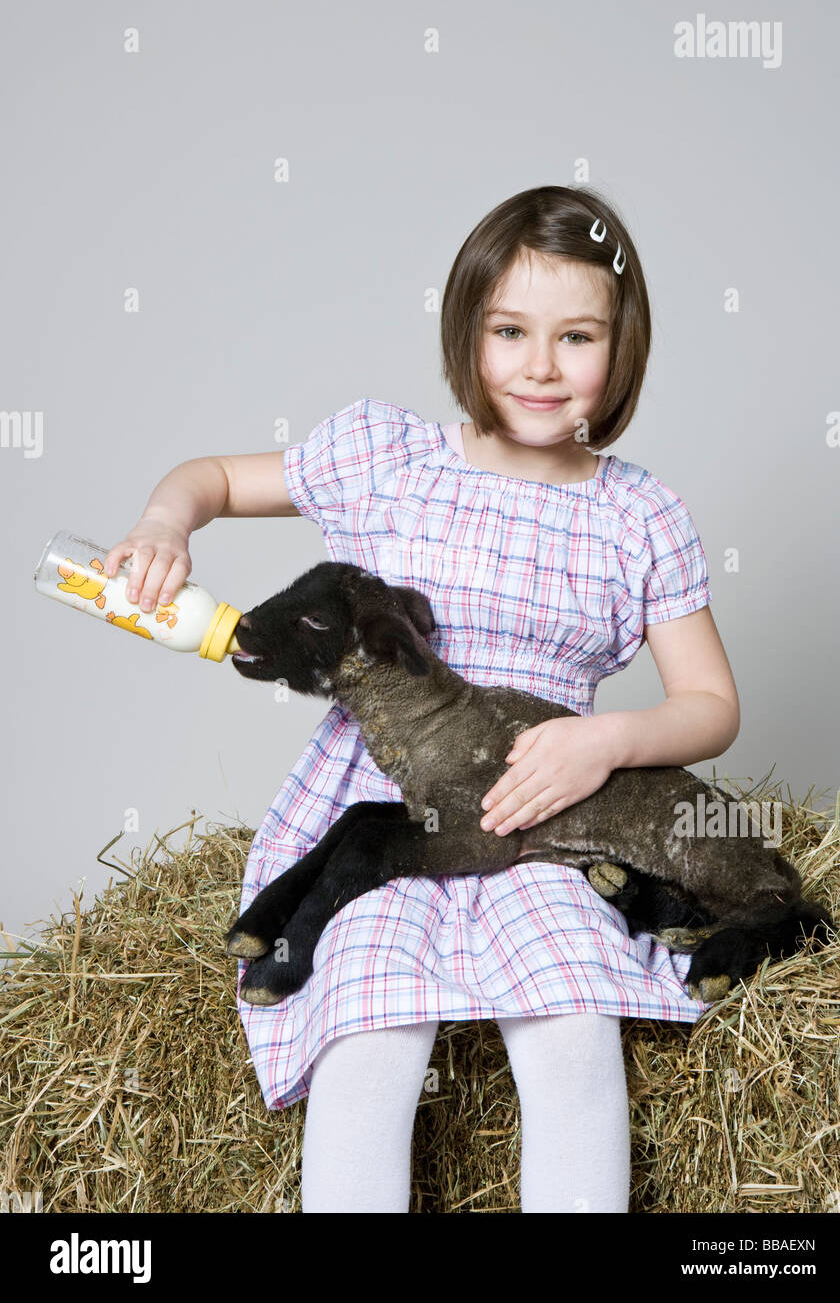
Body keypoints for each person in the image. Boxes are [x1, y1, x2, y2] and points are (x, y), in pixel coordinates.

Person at [103, 184, 740, 1213]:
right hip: (380, 818)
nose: (539, 365)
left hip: (541, 816)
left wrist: (605, 740)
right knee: (368, 1032)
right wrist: (165, 522)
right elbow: (209, 477)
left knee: (572, 1030)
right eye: (509, 331)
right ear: (466, 333)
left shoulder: (638, 514)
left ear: (621, 350)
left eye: (575, 335)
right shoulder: (390, 460)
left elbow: (709, 704)